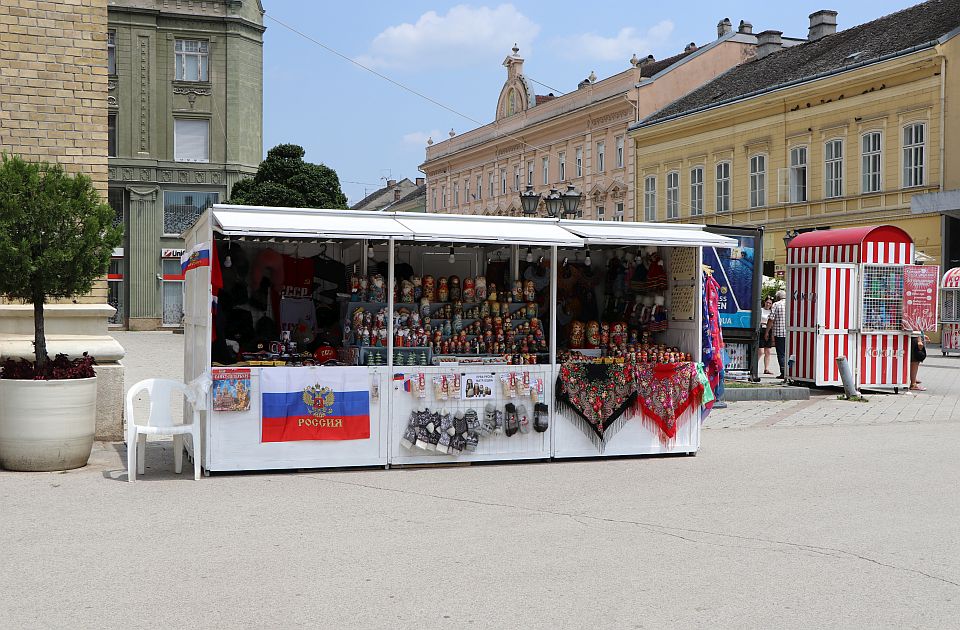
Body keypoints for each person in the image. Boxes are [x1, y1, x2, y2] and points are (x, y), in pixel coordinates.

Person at [767, 290, 787, 379]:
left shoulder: (776, 304)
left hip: (779, 332)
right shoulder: (790, 303)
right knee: (788, 353)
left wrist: (767, 331)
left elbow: (771, 319)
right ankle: (790, 372)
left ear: (778, 297)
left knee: (781, 353)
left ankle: (783, 372)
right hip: (790, 332)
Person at [759, 296, 775, 375]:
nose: (768, 304)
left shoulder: (771, 312)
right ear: (764, 302)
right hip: (761, 329)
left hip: (768, 330)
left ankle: (766, 369)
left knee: (768, 351)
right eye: (767, 302)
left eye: (770, 303)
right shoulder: (760, 310)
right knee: (760, 351)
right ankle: (753, 366)